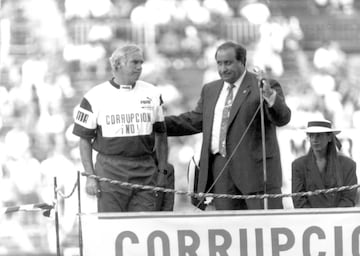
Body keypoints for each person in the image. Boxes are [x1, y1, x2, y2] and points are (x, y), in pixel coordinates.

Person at [165, 41, 291, 210]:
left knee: (264, 231)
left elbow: (282, 118)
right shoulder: (210, 90)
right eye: (219, 63)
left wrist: (270, 96)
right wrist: (158, 124)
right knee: (228, 229)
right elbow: (194, 120)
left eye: (228, 63)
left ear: (242, 61)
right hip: (220, 173)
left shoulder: (263, 85)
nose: (223, 69)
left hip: (256, 174)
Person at [72, 44, 169, 212]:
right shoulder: (95, 96)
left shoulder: (152, 93)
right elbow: (84, 140)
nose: (140, 67)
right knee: (112, 227)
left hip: (144, 169)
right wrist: (90, 176)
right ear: (117, 64)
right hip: (110, 170)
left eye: (141, 62)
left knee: (145, 226)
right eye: (134, 63)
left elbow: (161, 135)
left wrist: (162, 170)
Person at [292, 119, 357, 208]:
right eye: (311, 136)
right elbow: (298, 199)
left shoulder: (348, 165)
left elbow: (349, 198)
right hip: (309, 220)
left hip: (339, 219)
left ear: (329, 137)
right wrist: (315, 218)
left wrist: (333, 218)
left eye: (319, 135)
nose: (315, 139)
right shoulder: (298, 165)